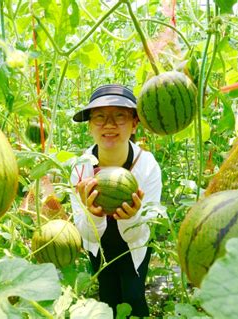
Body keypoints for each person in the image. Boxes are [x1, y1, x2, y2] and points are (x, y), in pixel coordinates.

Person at [70, 84, 162, 317]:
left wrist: (133, 218)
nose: (109, 124)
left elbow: (144, 232)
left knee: (134, 299)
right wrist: (94, 215)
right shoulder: (81, 168)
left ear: (134, 124)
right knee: (108, 299)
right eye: (100, 117)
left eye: (119, 116)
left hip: (134, 245)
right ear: (90, 125)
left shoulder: (147, 165)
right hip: (99, 246)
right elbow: (87, 234)